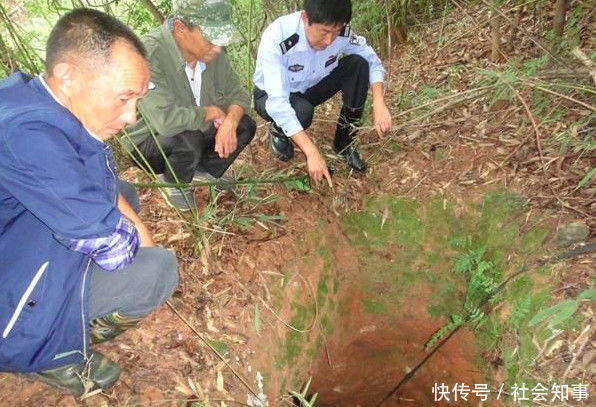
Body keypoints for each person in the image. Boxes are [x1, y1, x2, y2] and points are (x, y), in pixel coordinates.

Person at [0, 9, 178, 396]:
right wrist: (141, 235)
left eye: (137, 100)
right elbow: (114, 249)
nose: (131, 117)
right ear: (67, 76)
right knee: (158, 270)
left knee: (124, 197)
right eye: (123, 98)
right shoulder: (28, 133)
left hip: (12, 241)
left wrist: (127, 219)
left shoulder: (29, 98)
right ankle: (47, 350)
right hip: (7, 305)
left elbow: (105, 183)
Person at [124, 0, 256, 212]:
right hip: (153, 141)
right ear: (180, 28)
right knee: (188, 138)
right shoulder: (149, 54)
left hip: (195, 130)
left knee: (245, 126)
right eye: (210, 38)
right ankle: (175, 184)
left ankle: (202, 172)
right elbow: (166, 122)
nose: (218, 47)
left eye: (220, 40)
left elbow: (239, 95)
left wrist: (230, 122)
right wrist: (210, 112)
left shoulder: (214, 53)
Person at [253, 0, 392, 187]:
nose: (329, 41)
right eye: (324, 32)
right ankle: (278, 130)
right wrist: (312, 152)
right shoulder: (279, 37)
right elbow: (278, 103)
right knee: (302, 112)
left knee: (358, 64)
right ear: (305, 18)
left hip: (311, 87)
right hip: (270, 96)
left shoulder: (341, 33)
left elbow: (372, 60)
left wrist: (378, 102)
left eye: (335, 33)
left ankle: (345, 142)